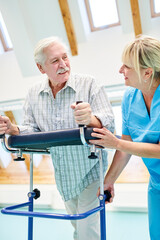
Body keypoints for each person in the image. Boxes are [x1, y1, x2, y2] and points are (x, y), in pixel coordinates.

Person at [0, 36, 114, 240]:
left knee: (88, 229)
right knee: (78, 228)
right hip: (64, 176)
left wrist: (91, 119)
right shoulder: (33, 94)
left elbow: (110, 123)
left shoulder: (89, 84)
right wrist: (13, 128)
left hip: (91, 170)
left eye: (65, 58)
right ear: (41, 68)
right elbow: (32, 130)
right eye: (55, 61)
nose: (63, 65)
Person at [90, 35, 160, 240]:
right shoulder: (130, 97)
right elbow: (125, 147)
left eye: (127, 66)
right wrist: (108, 182)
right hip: (156, 184)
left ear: (147, 72)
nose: (121, 70)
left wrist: (117, 142)